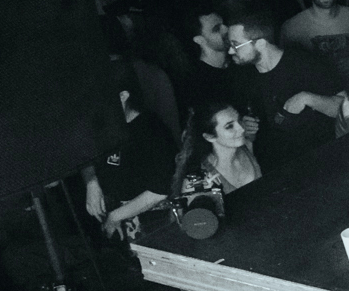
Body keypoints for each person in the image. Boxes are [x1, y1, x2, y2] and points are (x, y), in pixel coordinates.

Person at [224, 13, 344, 170]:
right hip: (275, 168)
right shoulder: (242, 76)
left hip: (319, 161)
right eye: (230, 45)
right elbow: (248, 130)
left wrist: (307, 98)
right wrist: (246, 126)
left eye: (236, 45)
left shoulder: (306, 64)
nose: (230, 51)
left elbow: (342, 107)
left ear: (260, 43)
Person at [80, 72, 178, 241]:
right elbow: (85, 157)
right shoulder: (101, 126)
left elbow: (160, 191)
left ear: (123, 96)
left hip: (147, 221)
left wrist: (115, 216)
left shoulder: (152, 131)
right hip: (109, 215)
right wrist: (91, 181)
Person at [184, 104, 262, 194]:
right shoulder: (200, 179)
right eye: (229, 126)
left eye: (239, 120)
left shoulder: (246, 146)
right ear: (209, 137)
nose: (242, 129)